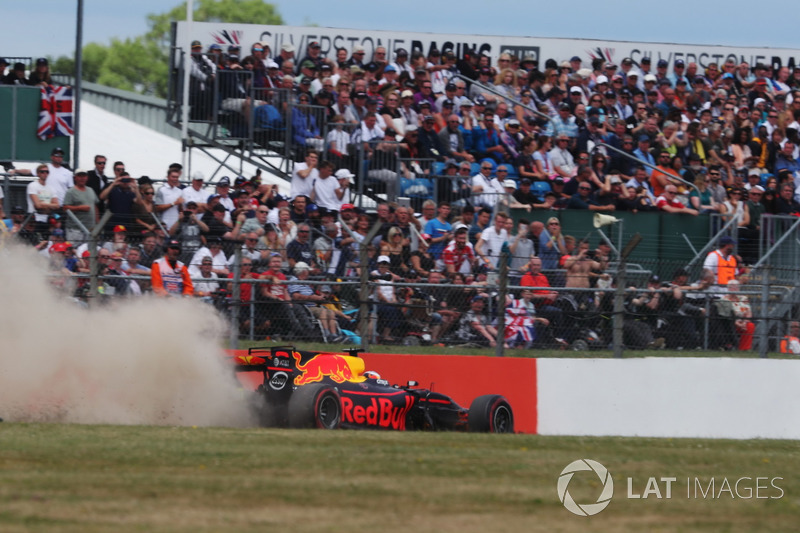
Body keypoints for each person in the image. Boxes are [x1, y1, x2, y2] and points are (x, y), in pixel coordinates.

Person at [62, 169, 98, 244]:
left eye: (84, 176)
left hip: (90, 229)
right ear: (75, 178)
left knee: (89, 253)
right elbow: (65, 208)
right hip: (75, 230)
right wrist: (79, 208)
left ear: (87, 178)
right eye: (80, 176)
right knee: (74, 252)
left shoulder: (91, 190)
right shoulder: (70, 192)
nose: (82, 178)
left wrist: (97, 223)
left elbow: (95, 206)